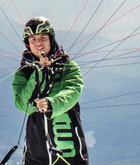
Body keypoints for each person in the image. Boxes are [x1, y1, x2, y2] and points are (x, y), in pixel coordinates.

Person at [11, 17, 86, 165]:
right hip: (36, 151)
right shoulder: (23, 73)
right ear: (28, 43)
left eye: (43, 38)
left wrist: (51, 104)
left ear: (51, 39)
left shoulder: (68, 66)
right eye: (33, 40)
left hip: (68, 146)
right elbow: (21, 103)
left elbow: (73, 90)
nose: (38, 44)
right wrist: (38, 72)